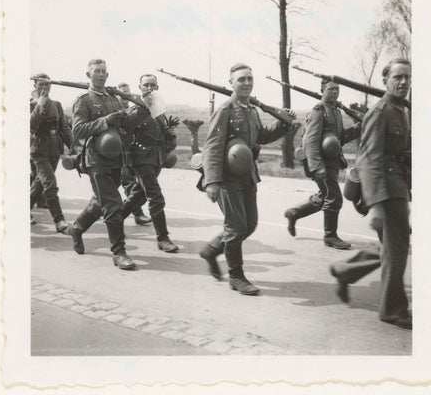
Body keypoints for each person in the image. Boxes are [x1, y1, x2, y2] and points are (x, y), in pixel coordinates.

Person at [330, 59, 412, 329]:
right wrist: (375, 205)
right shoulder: (381, 111)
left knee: (392, 246)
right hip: (385, 189)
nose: (403, 82)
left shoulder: (401, 109)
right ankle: (393, 310)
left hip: (397, 184)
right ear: (385, 80)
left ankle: (345, 271)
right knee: (397, 248)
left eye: (407, 77)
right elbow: (368, 159)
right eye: (397, 77)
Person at [199, 63, 295, 295]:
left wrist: (283, 124)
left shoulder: (251, 109)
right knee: (236, 227)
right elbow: (212, 146)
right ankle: (236, 276)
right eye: (241, 79)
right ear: (231, 82)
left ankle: (212, 250)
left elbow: (260, 136)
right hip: (227, 178)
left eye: (250, 79)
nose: (246, 83)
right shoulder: (225, 110)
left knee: (249, 225)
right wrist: (211, 181)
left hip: (247, 176)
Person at [65, 59, 150, 270]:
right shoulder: (83, 100)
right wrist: (105, 121)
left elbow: (127, 123)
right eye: (97, 72)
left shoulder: (113, 98)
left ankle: (77, 228)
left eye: (104, 72)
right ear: (88, 75)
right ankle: (119, 253)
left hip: (115, 158)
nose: (101, 75)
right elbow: (77, 130)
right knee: (113, 204)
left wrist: (141, 106)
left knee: (99, 203)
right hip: (96, 160)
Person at [284, 79, 361, 249]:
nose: (335, 92)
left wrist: (360, 126)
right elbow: (310, 141)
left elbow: (341, 137)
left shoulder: (336, 111)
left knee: (323, 197)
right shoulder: (318, 111)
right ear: (322, 90)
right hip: (321, 163)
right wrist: (317, 167)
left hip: (332, 161)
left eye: (337, 89)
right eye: (331, 89)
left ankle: (293, 213)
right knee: (334, 198)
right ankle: (330, 236)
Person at [121, 74, 179, 252]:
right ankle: (163, 238)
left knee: (138, 197)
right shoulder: (135, 110)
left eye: (153, 85)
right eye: (146, 85)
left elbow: (167, 138)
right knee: (156, 197)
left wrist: (169, 134)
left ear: (157, 87)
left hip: (156, 160)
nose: (150, 88)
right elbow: (126, 133)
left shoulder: (159, 111)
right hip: (140, 161)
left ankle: (114, 220)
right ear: (140, 88)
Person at [30, 74, 73, 231]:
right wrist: (39, 105)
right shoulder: (30, 103)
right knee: (50, 184)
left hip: (54, 149)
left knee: (40, 184)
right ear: (34, 86)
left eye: (47, 85)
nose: (44, 88)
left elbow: (64, 127)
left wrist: (73, 145)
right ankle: (59, 221)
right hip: (38, 150)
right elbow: (31, 124)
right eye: (41, 85)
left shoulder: (56, 104)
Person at [117, 82, 152, 226]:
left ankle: (121, 211)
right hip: (116, 151)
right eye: (122, 93)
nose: (125, 96)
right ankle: (136, 213)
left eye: (127, 93)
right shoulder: (114, 110)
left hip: (130, 151)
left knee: (131, 184)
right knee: (129, 184)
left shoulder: (134, 109)